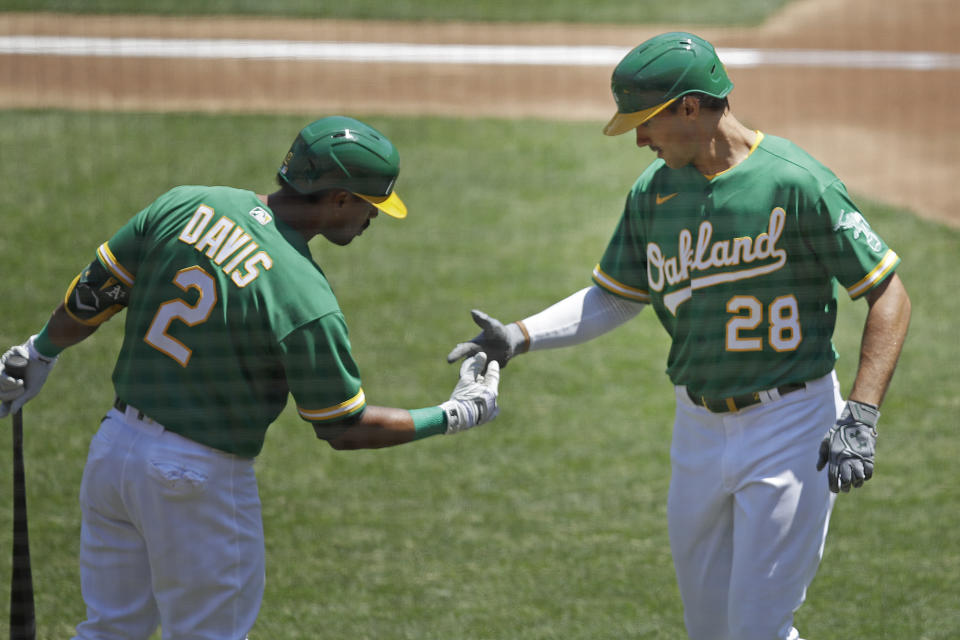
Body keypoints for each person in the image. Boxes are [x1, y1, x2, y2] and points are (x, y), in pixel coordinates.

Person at [446, 32, 911, 640]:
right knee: (711, 630)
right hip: (695, 429)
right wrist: (519, 335)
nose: (639, 138)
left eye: (646, 121)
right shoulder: (653, 193)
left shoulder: (797, 183)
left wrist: (863, 412)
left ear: (690, 107)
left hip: (790, 425)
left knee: (757, 628)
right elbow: (616, 295)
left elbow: (889, 295)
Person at [0, 115, 501, 640]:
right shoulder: (304, 299)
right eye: (370, 204)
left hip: (113, 454)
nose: (372, 218)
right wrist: (455, 414)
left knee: (108, 631)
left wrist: (36, 353)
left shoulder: (185, 203)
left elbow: (94, 293)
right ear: (337, 199)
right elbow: (344, 428)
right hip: (195, 481)